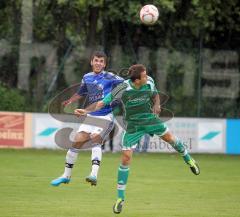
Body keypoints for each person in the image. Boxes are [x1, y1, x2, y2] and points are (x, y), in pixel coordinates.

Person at [75, 64, 200, 213]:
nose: (147, 77)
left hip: (149, 119)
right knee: (125, 159)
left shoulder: (149, 82)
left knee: (171, 140)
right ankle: (120, 198)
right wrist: (86, 110)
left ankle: (188, 159)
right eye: (144, 75)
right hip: (133, 126)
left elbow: (155, 94)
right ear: (136, 80)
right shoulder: (123, 88)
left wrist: (157, 105)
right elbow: (103, 102)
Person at [51, 51, 124, 186]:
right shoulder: (87, 77)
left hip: (105, 116)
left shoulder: (110, 76)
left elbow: (125, 84)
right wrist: (70, 100)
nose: (98, 63)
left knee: (96, 139)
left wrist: (115, 97)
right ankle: (66, 176)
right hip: (91, 115)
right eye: (96, 60)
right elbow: (81, 92)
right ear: (91, 62)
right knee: (76, 142)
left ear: (104, 64)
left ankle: (93, 175)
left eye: (101, 61)